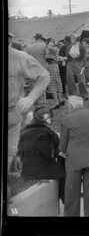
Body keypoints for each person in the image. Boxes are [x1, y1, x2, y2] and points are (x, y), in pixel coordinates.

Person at [8, 32, 50, 173]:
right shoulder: (44, 46)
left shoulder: (23, 52)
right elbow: (50, 58)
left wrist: (30, 98)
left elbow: (44, 75)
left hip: (12, 112)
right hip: (35, 73)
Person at [60, 96, 89, 217]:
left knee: (72, 193)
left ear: (71, 106)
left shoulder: (66, 119)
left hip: (74, 160)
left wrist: (65, 152)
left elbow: (63, 144)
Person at [17, 106, 65, 204]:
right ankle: (63, 196)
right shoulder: (44, 133)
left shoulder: (23, 132)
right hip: (40, 170)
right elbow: (48, 155)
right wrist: (56, 151)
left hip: (26, 169)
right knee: (64, 172)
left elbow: (20, 152)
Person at [25, 33, 48, 105]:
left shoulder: (29, 46)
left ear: (35, 39)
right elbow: (48, 56)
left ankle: (34, 101)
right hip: (42, 68)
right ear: (41, 39)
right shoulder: (44, 46)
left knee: (33, 85)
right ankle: (42, 101)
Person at [66, 34, 89, 100]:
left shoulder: (81, 47)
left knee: (81, 80)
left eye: (72, 38)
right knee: (70, 79)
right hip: (70, 64)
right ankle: (73, 94)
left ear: (76, 39)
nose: (71, 40)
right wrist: (64, 61)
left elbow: (84, 57)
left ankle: (84, 95)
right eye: (71, 38)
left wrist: (84, 65)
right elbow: (66, 55)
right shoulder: (69, 46)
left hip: (79, 64)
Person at [45, 39, 66, 110]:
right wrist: (63, 59)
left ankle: (56, 103)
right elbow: (57, 56)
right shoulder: (54, 49)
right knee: (56, 83)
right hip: (54, 66)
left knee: (52, 84)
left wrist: (50, 45)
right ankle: (61, 100)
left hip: (51, 66)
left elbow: (52, 50)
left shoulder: (52, 48)